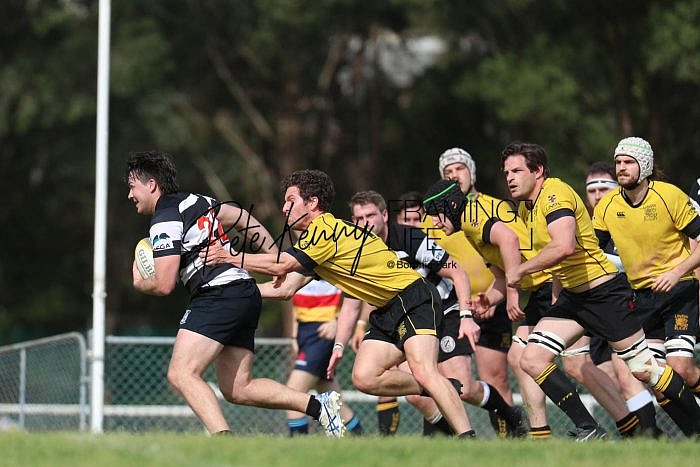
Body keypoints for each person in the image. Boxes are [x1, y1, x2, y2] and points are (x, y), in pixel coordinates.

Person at [200, 169, 475, 437]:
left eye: (290, 200)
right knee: (365, 377)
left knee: (424, 370)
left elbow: (281, 264)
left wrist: (230, 257)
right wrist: (230, 290)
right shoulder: (315, 241)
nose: (284, 208)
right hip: (387, 308)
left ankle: (467, 437)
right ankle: (438, 386)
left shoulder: (325, 230)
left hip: (413, 297)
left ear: (312, 203)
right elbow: (286, 288)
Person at [125, 151, 344, 437]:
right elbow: (243, 218)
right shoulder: (198, 201)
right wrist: (276, 257)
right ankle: (319, 406)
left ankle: (224, 442)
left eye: (132, 186)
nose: (130, 195)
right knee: (238, 388)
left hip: (218, 294)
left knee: (181, 373)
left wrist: (140, 282)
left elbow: (164, 285)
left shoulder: (164, 218)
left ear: (151, 184)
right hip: (243, 292)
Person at [423, 176, 652, 439]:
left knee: (577, 363)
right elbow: (502, 273)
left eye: (437, 214)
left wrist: (512, 294)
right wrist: (490, 298)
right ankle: (548, 433)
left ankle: (621, 428)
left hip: (554, 283)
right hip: (541, 288)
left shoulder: (473, 216)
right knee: (524, 358)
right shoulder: (469, 228)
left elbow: (509, 241)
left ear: (451, 205)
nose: (435, 222)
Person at [500, 141, 700, 440]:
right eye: (506, 173)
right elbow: (579, 251)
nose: (510, 178)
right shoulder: (532, 207)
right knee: (530, 359)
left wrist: (521, 271)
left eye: (516, 171)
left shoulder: (555, 194)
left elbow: (564, 246)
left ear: (538, 171)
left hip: (606, 294)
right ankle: (589, 429)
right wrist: (555, 293)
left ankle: (694, 430)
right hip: (577, 297)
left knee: (647, 370)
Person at [348, 190, 528, 438]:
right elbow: (365, 295)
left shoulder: (411, 238)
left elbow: (457, 272)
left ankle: (509, 413)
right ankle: (455, 438)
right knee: (415, 394)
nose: (365, 223)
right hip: (408, 320)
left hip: (444, 312)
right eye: (359, 218)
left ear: (384, 215)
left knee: (464, 388)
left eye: (370, 215)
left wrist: (465, 316)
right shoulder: (359, 250)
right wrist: (351, 333)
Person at [593, 137, 700, 436]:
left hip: (679, 291)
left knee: (680, 367)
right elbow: (593, 253)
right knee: (647, 372)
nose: (621, 168)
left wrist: (677, 272)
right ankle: (695, 434)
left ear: (645, 166)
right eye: (618, 162)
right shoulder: (607, 205)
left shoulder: (669, 196)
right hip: (641, 298)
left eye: (628, 162)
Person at [560, 161, 661, 437]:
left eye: (604, 188)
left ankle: (650, 433)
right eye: (591, 190)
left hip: (631, 303)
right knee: (578, 365)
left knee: (632, 370)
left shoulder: (629, 218)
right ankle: (636, 430)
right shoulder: (581, 228)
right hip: (592, 304)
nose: (597, 195)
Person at [431, 148, 521, 436]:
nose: (454, 175)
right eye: (448, 172)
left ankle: (511, 441)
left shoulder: (497, 207)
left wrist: (497, 295)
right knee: (453, 382)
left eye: (459, 169)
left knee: (496, 377)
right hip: (454, 310)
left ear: (472, 171)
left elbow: (512, 250)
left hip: (493, 303)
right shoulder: (435, 219)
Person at [282, 279, 363, 436]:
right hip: (304, 330)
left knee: (292, 395)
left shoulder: (331, 264)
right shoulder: (294, 266)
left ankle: (298, 446)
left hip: (323, 332)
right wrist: (294, 335)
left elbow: (357, 289)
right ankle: (360, 438)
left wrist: (337, 322)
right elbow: (290, 294)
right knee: (332, 401)